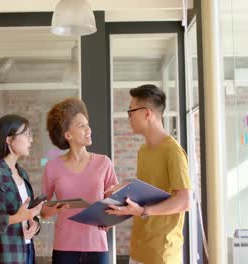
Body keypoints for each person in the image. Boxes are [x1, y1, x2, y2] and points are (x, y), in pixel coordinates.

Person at [105, 84, 192, 264]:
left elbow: (184, 201)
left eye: (131, 112)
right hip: (139, 249)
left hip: (162, 253)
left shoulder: (173, 151)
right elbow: (149, 189)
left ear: (147, 113)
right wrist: (124, 187)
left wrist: (144, 211)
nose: (129, 117)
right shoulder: (143, 150)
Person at [41, 98, 118, 264]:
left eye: (87, 124)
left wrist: (110, 220)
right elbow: (42, 212)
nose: (88, 129)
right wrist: (55, 209)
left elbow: (116, 204)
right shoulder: (52, 167)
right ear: (67, 134)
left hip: (97, 246)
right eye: (81, 126)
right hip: (64, 248)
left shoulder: (104, 162)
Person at [0, 114, 44, 264]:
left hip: (27, 252)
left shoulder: (22, 173)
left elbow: (26, 213)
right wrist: (16, 218)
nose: (30, 140)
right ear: (8, 139)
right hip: (5, 256)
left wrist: (35, 224)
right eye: (26, 135)